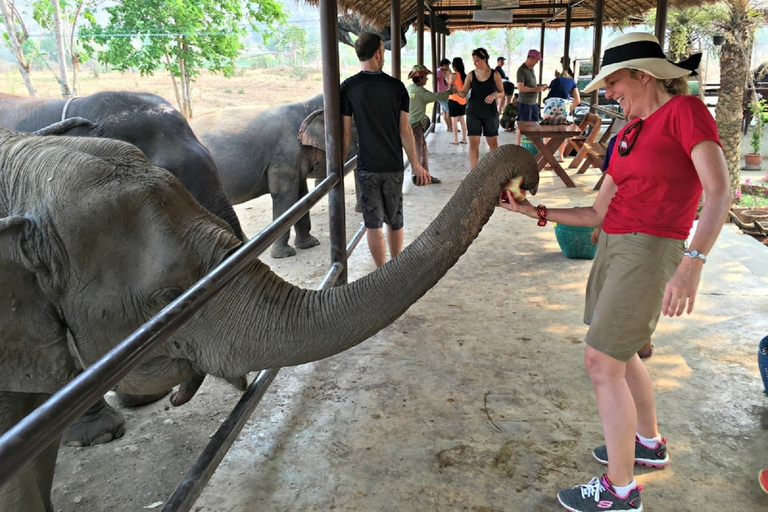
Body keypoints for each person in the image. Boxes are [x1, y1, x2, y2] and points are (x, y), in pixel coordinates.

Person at [498, 32, 730, 512]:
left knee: (601, 363)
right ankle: (647, 443)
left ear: (644, 75)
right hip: (615, 246)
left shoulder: (684, 114)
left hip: (651, 249)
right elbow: (597, 214)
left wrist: (693, 262)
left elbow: (720, 192)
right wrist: (533, 212)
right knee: (621, 357)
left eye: (615, 82)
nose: (607, 93)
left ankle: (619, 492)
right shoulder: (626, 134)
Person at [341, 33, 433, 268]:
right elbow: (405, 130)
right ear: (378, 53)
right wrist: (415, 163)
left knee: (373, 224)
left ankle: (381, 271)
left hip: (367, 167)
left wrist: (339, 168)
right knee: (395, 220)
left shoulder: (349, 88)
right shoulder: (396, 87)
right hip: (393, 165)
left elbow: (345, 133)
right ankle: (395, 267)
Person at [456, 47, 505, 169]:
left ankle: (495, 171)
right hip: (474, 112)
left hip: (490, 112)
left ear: (485, 59)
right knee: (474, 143)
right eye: (473, 60)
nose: (475, 63)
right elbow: (463, 93)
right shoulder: (471, 75)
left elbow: (502, 92)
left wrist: (495, 95)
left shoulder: (495, 74)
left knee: (493, 143)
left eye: (477, 60)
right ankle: (473, 173)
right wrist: (455, 90)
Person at [406, 64, 454, 184]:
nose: (427, 79)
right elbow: (436, 96)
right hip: (416, 125)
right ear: (420, 78)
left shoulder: (409, 89)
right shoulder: (421, 92)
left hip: (408, 124)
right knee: (419, 150)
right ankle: (418, 175)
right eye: (425, 77)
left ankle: (424, 174)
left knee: (421, 148)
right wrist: (450, 92)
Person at [542, 68, 581, 161]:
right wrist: (568, 110)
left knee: (546, 129)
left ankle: (547, 156)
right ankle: (560, 156)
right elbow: (577, 100)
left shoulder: (554, 81)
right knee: (562, 131)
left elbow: (551, 94)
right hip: (564, 103)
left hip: (551, 102)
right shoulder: (572, 82)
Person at [516, 49, 549, 146]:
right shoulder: (521, 70)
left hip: (533, 102)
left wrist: (540, 86)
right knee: (523, 127)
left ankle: (533, 146)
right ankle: (518, 146)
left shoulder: (531, 69)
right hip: (524, 103)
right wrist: (536, 90)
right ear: (530, 58)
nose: (537, 62)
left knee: (535, 125)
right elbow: (521, 87)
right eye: (536, 60)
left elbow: (531, 84)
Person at [448, 57, 468, 145]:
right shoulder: (465, 76)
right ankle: (464, 139)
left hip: (453, 99)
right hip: (462, 100)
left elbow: (450, 86)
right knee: (462, 120)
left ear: (454, 66)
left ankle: (455, 140)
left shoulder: (453, 75)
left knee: (454, 121)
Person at [436, 58, 452, 127]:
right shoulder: (439, 71)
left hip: (442, 93)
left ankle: (448, 126)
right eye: (447, 66)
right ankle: (450, 127)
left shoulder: (441, 71)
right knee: (448, 110)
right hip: (441, 94)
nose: (448, 68)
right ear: (444, 65)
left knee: (445, 110)